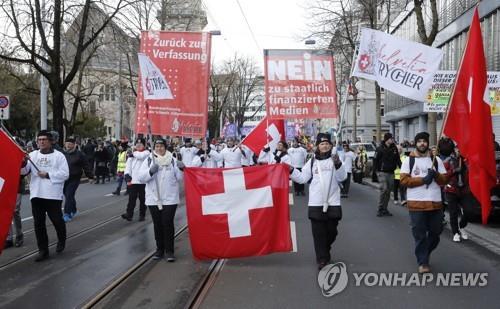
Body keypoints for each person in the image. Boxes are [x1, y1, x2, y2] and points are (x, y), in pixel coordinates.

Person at [290, 133, 347, 270]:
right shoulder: (312, 162)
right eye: (322, 144)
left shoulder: (336, 160)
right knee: (318, 233)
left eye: (327, 143)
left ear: (331, 145)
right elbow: (303, 178)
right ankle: (322, 259)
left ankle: (325, 249)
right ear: (317, 146)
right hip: (316, 203)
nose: (325, 146)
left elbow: (342, 177)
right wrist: (291, 170)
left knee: (332, 232)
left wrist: (338, 163)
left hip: (333, 201)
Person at [400, 132, 448, 273]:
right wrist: (423, 180)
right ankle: (423, 262)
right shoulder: (409, 161)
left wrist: (436, 175)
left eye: (424, 141)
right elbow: (403, 181)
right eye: (419, 141)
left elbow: (444, 180)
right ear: (415, 143)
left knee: (436, 233)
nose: (422, 144)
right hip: (416, 204)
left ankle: (424, 252)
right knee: (420, 234)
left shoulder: (436, 160)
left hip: (435, 203)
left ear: (428, 143)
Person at [21, 130, 69, 262]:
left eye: (44, 139)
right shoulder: (32, 155)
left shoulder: (59, 156)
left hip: (53, 194)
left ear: (50, 141)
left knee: (57, 221)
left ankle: (61, 239)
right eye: (39, 140)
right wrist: (23, 162)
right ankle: (43, 250)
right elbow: (23, 171)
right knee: (39, 224)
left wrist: (48, 175)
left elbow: (65, 174)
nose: (41, 142)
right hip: (37, 194)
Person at [138, 139, 184, 262]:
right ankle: (160, 249)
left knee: (167, 223)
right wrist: (150, 171)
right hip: (154, 198)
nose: (159, 148)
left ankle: (169, 251)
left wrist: (182, 168)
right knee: (157, 224)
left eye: (161, 146)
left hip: (169, 198)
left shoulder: (173, 160)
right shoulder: (149, 160)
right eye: (157, 146)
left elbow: (180, 178)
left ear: (165, 147)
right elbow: (141, 177)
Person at [440, 138, 469, 242]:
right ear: (453, 149)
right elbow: (443, 175)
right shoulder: (448, 161)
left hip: (464, 190)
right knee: (453, 213)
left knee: (469, 211)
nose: (459, 150)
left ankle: (462, 227)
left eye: (460, 149)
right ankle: (455, 232)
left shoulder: (466, 160)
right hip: (451, 190)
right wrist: (453, 171)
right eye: (457, 148)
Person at [63, 137, 94, 222]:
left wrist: (90, 176)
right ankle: (73, 209)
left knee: (69, 194)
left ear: (74, 145)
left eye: (70, 144)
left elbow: (86, 166)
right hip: (64, 178)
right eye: (67, 143)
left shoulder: (80, 154)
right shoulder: (62, 153)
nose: (68, 145)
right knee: (67, 195)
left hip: (74, 178)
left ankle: (67, 213)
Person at [122, 138, 150, 221]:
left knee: (143, 199)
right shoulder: (132, 155)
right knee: (131, 199)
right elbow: (128, 166)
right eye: (137, 144)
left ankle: (142, 214)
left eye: (140, 144)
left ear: (144, 145)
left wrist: (132, 154)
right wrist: (127, 175)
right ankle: (129, 214)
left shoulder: (147, 153)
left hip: (143, 181)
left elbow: (141, 156)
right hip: (133, 181)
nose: (138, 145)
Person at [374, 133, 401, 217]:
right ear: (386, 139)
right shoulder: (379, 149)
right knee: (384, 189)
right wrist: (376, 172)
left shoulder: (394, 148)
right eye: (390, 138)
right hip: (382, 172)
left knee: (388, 192)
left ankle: (385, 209)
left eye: (392, 138)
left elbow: (398, 159)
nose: (392, 140)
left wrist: (403, 168)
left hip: (391, 172)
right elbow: (375, 160)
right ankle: (380, 208)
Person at [5, 175, 26, 248]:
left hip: (17, 185)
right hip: (5, 185)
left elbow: (25, 171)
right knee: (5, 211)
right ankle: (8, 238)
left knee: (15, 210)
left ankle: (19, 235)